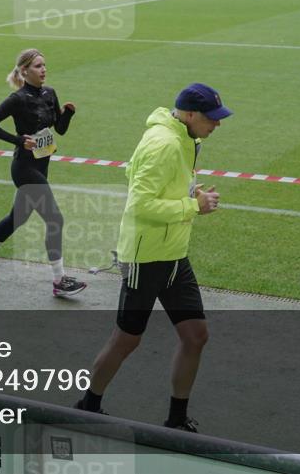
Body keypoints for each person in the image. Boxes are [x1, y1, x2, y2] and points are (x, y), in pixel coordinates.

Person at [75, 83, 232, 431]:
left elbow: (148, 181)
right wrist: (193, 205)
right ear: (190, 115)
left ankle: (176, 419)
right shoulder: (162, 143)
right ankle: (87, 407)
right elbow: (140, 203)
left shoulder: (187, 138)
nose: (217, 124)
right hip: (145, 258)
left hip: (174, 253)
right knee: (127, 339)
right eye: (212, 118)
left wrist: (189, 191)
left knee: (196, 336)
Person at [0, 49, 87, 297]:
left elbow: (60, 129)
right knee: (55, 219)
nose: (43, 70)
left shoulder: (50, 93)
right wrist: (18, 140)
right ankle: (59, 280)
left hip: (42, 165)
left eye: (44, 65)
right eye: (37, 66)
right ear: (24, 71)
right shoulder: (17, 99)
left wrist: (68, 114)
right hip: (24, 168)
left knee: (17, 218)